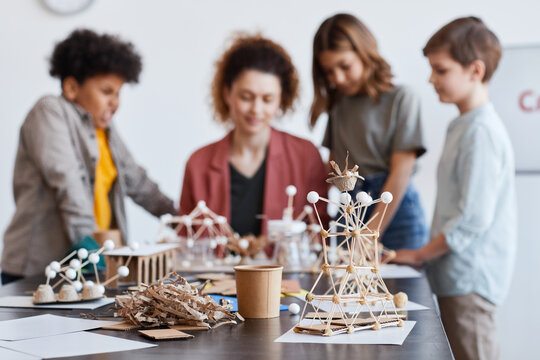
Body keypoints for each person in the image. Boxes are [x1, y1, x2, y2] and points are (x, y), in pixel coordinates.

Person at [1, 29, 176, 284]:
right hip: (38, 270)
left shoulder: (104, 130)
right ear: (72, 87)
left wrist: (181, 218)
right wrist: (88, 243)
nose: (115, 103)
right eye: (107, 91)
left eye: (118, 93)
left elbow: (138, 183)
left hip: (89, 267)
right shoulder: (49, 112)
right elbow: (67, 181)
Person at [393, 17, 516, 360]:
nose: (431, 79)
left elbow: (472, 219)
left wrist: (418, 254)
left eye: (440, 70)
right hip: (453, 278)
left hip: (469, 284)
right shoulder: (462, 126)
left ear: (475, 70)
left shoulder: (482, 133)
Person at [180, 34, 328, 237]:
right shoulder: (198, 164)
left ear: (281, 99)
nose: (256, 109)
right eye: (246, 97)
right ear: (227, 93)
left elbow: (320, 237)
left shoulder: (306, 156)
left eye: (267, 99)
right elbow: (187, 245)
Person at [311, 13, 427, 250]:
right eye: (329, 72)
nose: (338, 78)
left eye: (345, 66)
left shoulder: (402, 98)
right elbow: (332, 166)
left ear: (365, 53)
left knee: (400, 285)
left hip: (395, 212)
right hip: (351, 210)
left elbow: (401, 173)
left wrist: (370, 231)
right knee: (344, 284)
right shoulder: (338, 106)